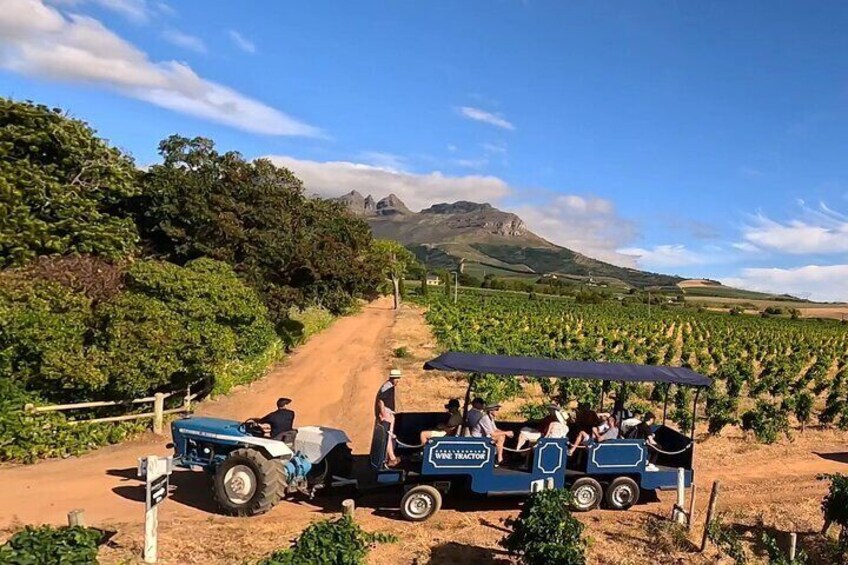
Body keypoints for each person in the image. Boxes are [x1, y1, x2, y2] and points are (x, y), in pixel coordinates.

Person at [375, 369, 402, 466]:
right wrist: (382, 413)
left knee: (389, 436)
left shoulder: (389, 386)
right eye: (397, 378)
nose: (398, 381)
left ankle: (389, 457)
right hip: (386, 412)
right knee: (388, 435)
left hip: (388, 412)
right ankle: (392, 458)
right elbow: (381, 400)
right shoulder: (388, 387)